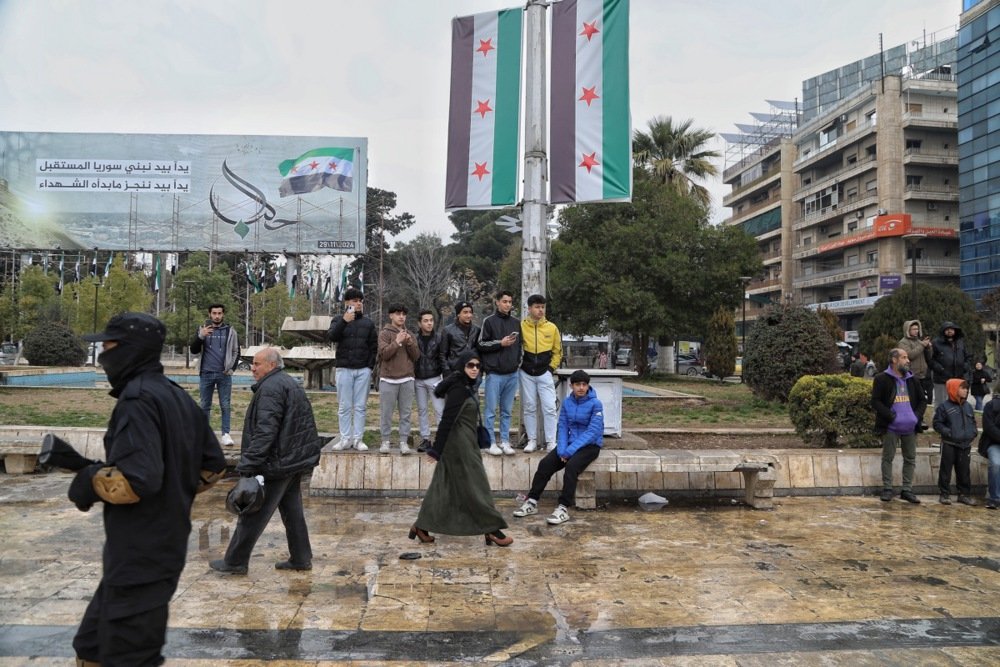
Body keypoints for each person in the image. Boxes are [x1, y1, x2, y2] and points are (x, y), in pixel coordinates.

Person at [72, 313, 226, 666]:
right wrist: (175, 492)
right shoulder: (175, 395)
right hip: (151, 551)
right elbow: (212, 466)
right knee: (91, 646)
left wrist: (89, 480)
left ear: (130, 351)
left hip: (141, 556)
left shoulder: (137, 400)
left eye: (108, 347)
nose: (102, 356)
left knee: (130, 657)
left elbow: (136, 481)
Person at [211, 347, 323, 574]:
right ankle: (301, 558)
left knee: (252, 512)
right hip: (292, 460)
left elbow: (265, 432)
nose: (252, 368)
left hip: (276, 463)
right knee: (293, 512)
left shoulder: (271, 389)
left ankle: (235, 562)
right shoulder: (287, 382)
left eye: (257, 364)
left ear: (271, 365)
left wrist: (248, 464)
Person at [409, 348, 513, 547]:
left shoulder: (466, 385)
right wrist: (436, 449)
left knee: (443, 487)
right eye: (470, 365)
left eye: (477, 366)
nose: (475, 369)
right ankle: (492, 529)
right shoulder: (458, 389)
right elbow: (447, 420)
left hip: (465, 442)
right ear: (462, 367)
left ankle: (421, 525)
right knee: (477, 485)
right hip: (458, 446)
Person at [513, 369, 604, 525]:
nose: (581, 388)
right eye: (577, 384)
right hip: (568, 446)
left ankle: (563, 508)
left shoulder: (596, 404)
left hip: (590, 446)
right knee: (545, 464)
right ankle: (532, 501)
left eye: (584, 384)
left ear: (588, 386)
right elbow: (562, 426)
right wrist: (562, 449)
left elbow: (592, 432)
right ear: (571, 386)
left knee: (571, 468)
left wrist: (568, 452)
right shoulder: (568, 403)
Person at [871, 348, 926, 504]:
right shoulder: (882, 378)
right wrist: (890, 416)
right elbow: (875, 401)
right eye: (904, 357)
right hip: (891, 427)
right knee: (888, 457)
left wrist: (916, 417)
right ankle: (887, 488)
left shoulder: (912, 379)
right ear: (894, 360)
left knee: (910, 458)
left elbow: (922, 401)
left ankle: (907, 490)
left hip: (910, 427)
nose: (908, 360)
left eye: (907, 357)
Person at [328, 288, 378, 451]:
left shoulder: (368, 323)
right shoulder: (337, 320)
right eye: (355, 300)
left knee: (360, 406)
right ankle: (345, 438)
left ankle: (358, 439)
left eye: (360, 301)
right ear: (347, 303)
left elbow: (373, 347)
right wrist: (344, 321)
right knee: (344, 406)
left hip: (362, 369)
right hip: (344, 368)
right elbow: (332, 337)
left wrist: (369, 367)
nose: (358, 303)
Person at [477, 290, 521, 456]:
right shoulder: (488, 322)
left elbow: (520, 346)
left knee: (507, 411)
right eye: (504, 301)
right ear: (497, 302)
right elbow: (481, 344)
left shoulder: (516, 322)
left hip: (512, 373)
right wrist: (499, 343)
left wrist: (517, 363)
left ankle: (505, 440)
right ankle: (490, 442)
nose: (507, 304)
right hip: (494, 374)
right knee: (490, 411)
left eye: (510, 302)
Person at [190, 303, 239, 445]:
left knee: (225, 405)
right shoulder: (202, 329)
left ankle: (226, 434)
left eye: (219, 313)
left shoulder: (230, 331)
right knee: (205, 405)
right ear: (209, 314)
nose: (217, 316)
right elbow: (193, 350)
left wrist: (231, 369)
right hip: (206, 373)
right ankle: (204, 434)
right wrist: (201, 336)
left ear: (223, 314)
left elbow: (236, 351)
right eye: (214, 313)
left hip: (224, 374)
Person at [519, 294, 562, 453]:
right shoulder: (521, 326)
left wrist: (551, 369)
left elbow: (558, 351)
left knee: (550, 407)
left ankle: (551, 441)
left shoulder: (552, 327)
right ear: (529, 308)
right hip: (526, 372)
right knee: (529, 407)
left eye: (542, 307)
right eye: (537, 307)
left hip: (545, 373)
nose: (540, 310)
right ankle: (532, 440)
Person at [376, 303, 419, 455]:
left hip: (407, 379)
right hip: (388, 379)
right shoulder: (384, 333)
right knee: (386, 413)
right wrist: (397, 341)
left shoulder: (410, 334)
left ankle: (403, 442)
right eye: (398, 313)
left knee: (406, 414)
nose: (401, 316)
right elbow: (384, 354)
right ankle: (385, 441)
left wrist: (410, 343)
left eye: (403, 314)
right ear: (391, 315)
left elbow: (416, 356)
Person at [933, 378, 978, 506]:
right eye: (962, 388)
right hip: (949, 444)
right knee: (946, 470)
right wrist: (948, 432)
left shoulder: (968, 406)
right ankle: (944, 494)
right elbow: (937, 423)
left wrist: (973, 432)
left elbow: (973, 422)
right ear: (954, 389)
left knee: (964, 471)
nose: (966, 390)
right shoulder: (944, 407)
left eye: (966, 388)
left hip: (965, 445)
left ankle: (964, 494)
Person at [414, 309, 446, 453]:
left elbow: (443, 357)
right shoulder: (414, 339)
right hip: (418, 379)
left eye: (431, 320)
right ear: (419, 323)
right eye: (426, 321)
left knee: (439, 410)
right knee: (422, 410)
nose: (429, 323)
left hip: (435, 378)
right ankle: (425, 439)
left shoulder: (439, 338)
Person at [931, 321, 972, 406]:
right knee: (941, 403)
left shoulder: (960, 342)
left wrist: (965, 366)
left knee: (957, 402)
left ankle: (955, 419)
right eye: (947, 329)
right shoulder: (935, 343)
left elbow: (968, 357)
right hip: (942, 379)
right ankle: (939, 419)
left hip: (958, 378)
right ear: (943, 331)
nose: (950, 331)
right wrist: (940, 369)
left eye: (951, 329)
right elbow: (930, 360)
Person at [897, 320, 933, 406]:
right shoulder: (903, 342)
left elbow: (929, 357)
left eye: (917, 329)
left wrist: (928, 348)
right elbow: (910, 355)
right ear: (907, 330)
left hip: (923, 375)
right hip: (911, 375)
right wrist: (922, 345)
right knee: (913, 400)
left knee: (922, 400)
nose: (916, 331)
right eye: (913, 329)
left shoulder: (919, 341)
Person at [441, 300, 481, 371]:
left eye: (470, 312)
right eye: (465, 312)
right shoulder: (448, 330)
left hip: (472, 370)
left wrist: (480, 370)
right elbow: (442, 354)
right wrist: (447, 371)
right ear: (458, 314)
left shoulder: (477, 330)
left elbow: (480, 351)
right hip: (455, 371)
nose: (469, 315)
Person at [980, 383, 1000, 510]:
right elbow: (989, 428)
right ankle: (994, 498)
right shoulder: (991, 406)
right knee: (996, 464)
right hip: (994, 443)